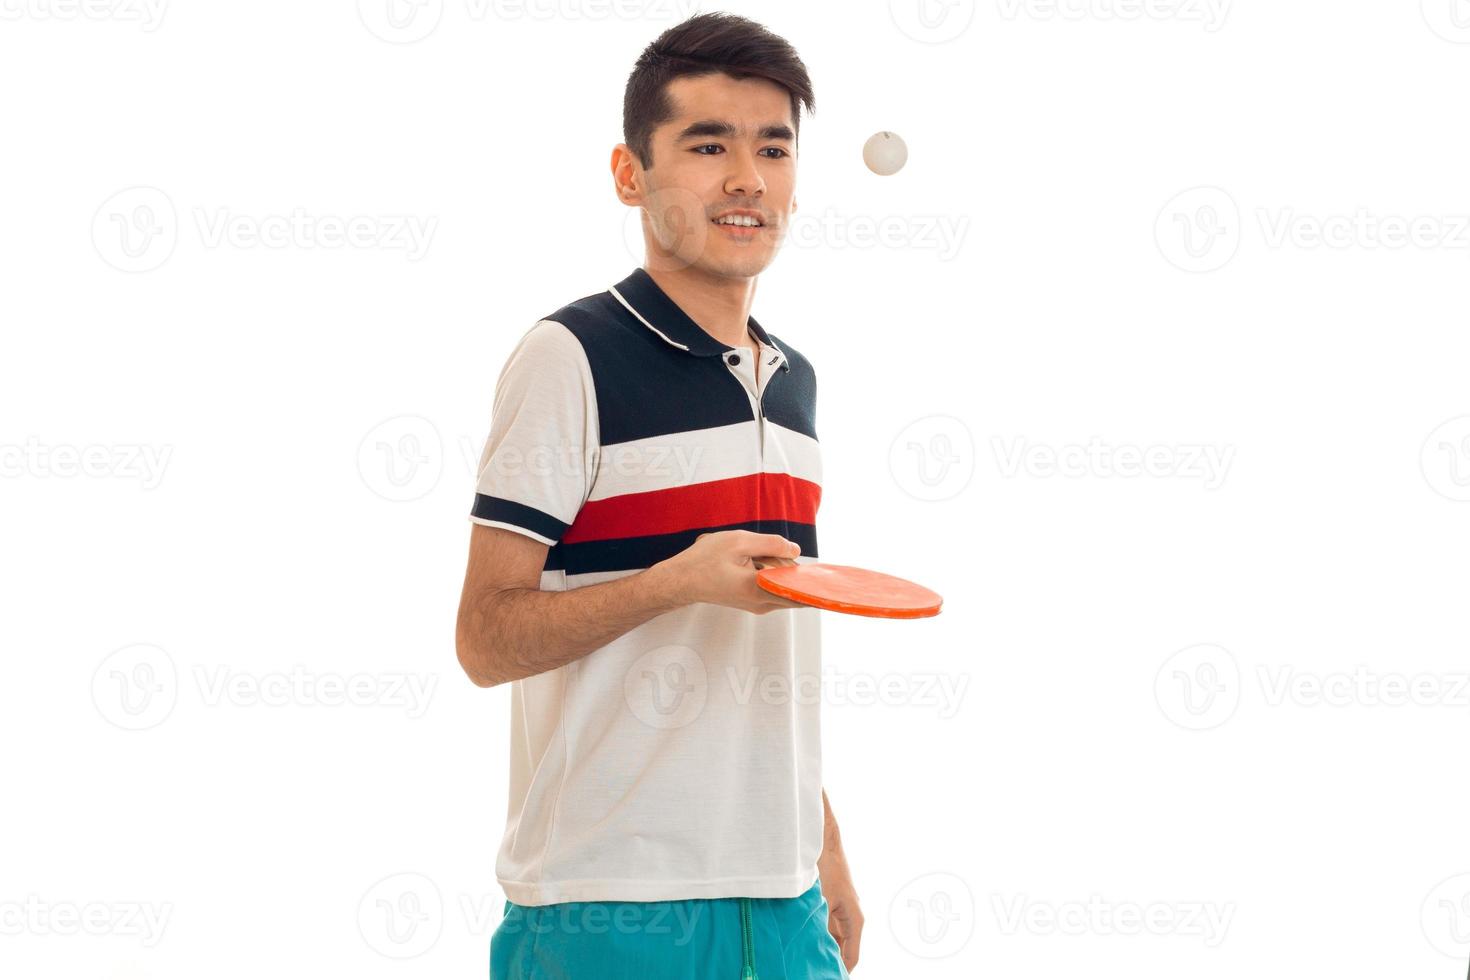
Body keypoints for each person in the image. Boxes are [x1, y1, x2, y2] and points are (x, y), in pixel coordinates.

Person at [456, 12, 862, 978]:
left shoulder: (792, 382)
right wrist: (674, 581)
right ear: (629, 174)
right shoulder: (571, 356)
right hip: (604, 908)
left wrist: (825, 848)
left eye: (773, 148)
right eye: (707, 144)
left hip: (784, 897)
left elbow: (767, 650)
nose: (747, 179)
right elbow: (483, 639)